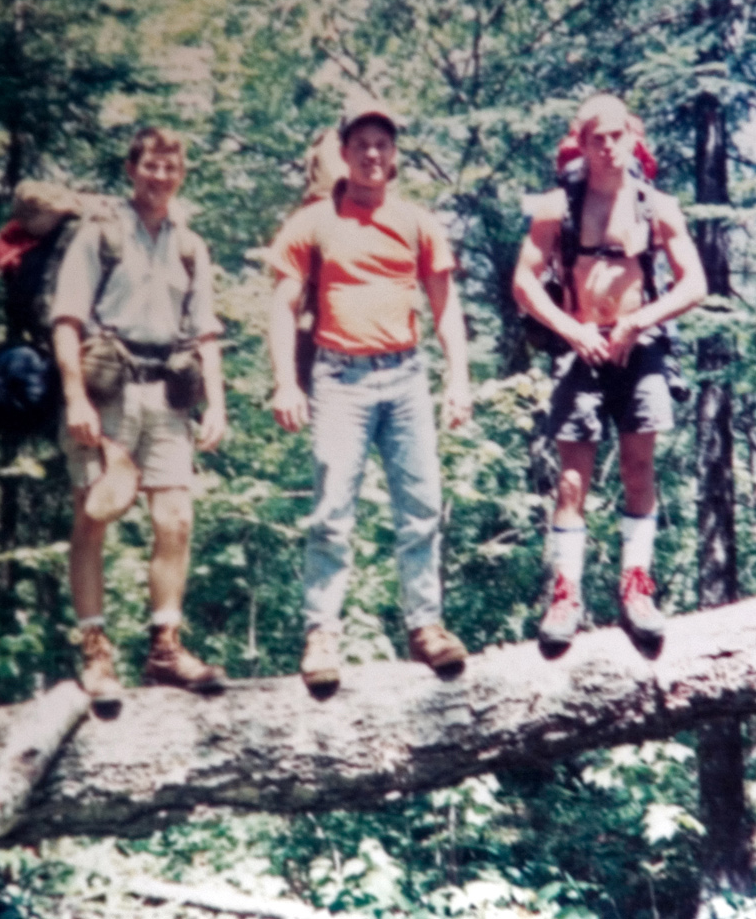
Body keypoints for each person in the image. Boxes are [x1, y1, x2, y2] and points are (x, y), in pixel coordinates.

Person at [267, 98, 474, 697]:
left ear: (394, 155)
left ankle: (426, 626)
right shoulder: (313, 224)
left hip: (406, 378)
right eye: (362, 145)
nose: (373, 155)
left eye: (383, 144)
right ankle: (321, 634)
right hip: (339, 380)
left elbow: (444, 308)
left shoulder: (416, 222)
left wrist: (457, 380)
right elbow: (282, 306)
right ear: (345, 152)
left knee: (422, 507)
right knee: (332, 512)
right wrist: (287, 381)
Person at [511, 94, 706, 659]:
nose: (607, 145)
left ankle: (636, 586)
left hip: (638, 345)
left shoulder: (657, 206)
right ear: (583, 140)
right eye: (597, 136)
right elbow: (524, 284)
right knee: (573, 480)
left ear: (632, 138)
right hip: (580, 348)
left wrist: (637, 322)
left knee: (638, 466)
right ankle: (566, 595)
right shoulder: (556, 207)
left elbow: (694, 283)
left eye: (617, 135)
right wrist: (572, 332)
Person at [50, 127, 228, 715]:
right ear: (132, 168)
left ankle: (165, 647)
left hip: (169, 394)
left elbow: (204, 331)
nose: (160, 176)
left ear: (181, 174)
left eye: (171, 167)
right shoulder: (98, 236)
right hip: (107, 391)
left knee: (175, 517)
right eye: (150, 165)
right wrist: (75, 398)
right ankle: (96, 649)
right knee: (94, 513)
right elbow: (67, 321)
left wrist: (218, 404)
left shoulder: (189, 245)